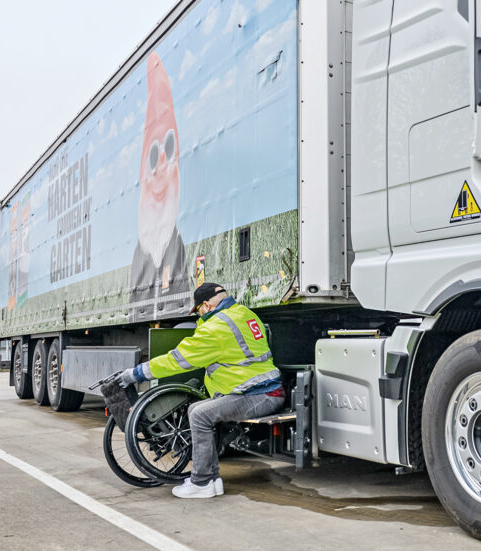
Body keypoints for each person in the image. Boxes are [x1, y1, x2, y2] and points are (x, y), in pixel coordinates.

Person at [119, 282, 284, 498]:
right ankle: (213, 480)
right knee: (197, 408)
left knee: (199, 414)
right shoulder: (243, 313)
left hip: (258, 394)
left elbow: (177, 360)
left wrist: (137, 373)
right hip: (262, 389)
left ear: (206, 305)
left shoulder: (215, 327)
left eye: (198, 310)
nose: (199, 314)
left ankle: (201, 481)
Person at [129, 52, 189, 322]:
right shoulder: (137, 258)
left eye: (169, 148)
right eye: (154, 156)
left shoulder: (179, 248)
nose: (162, 165)